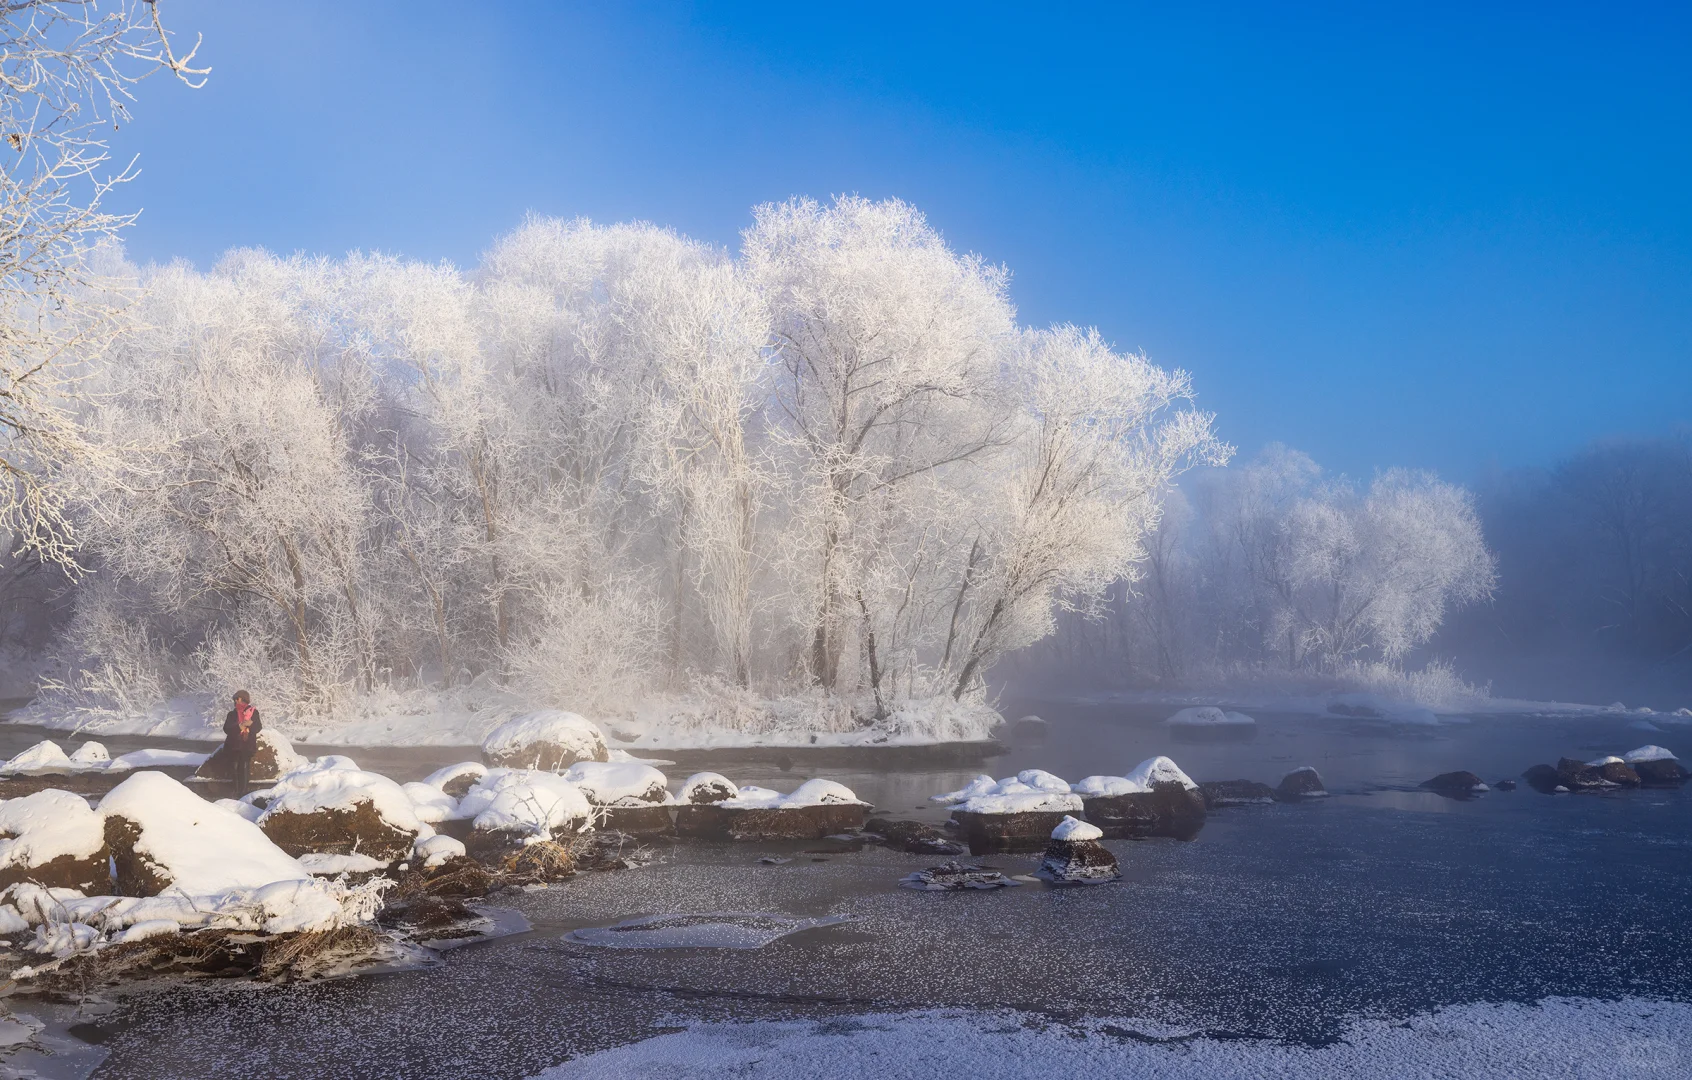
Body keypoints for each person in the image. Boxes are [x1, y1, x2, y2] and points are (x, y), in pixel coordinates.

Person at [223, 690, 262, 794]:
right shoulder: (231, 714)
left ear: (244, 699)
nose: (236, 701)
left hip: (247, 745)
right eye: (235, 699)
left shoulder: (254, 712)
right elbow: (226, 729)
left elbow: (258, 727)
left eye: (238, 698)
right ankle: (235, 791)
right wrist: (239, 727)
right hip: (233, 745)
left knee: (244, 767)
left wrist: (251, 724)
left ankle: (243, 792)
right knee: (234, 767)